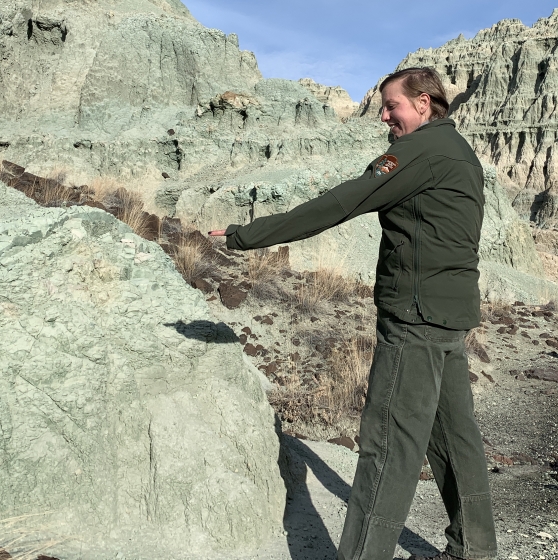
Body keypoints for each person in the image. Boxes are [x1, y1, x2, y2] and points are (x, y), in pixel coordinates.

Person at [209, 67, 497, 560]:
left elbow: (341, 203)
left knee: (387, 445)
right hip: (449, 317)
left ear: (424, 104)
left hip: (414, 318)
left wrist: (246, 235)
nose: (384, 116)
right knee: (454, 437)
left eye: (393, 106)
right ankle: (475, 548)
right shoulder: (460, 151)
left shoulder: (419, 151)